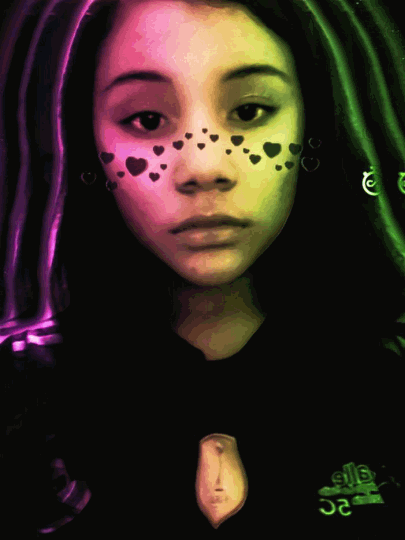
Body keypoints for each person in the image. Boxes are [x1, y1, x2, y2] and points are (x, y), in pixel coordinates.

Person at [1, 0, 405, 537]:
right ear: (85, 143)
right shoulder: (26, 394)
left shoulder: (388, 373)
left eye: (250, 111)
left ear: (315, 126)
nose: (204, 166)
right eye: (147, 120)